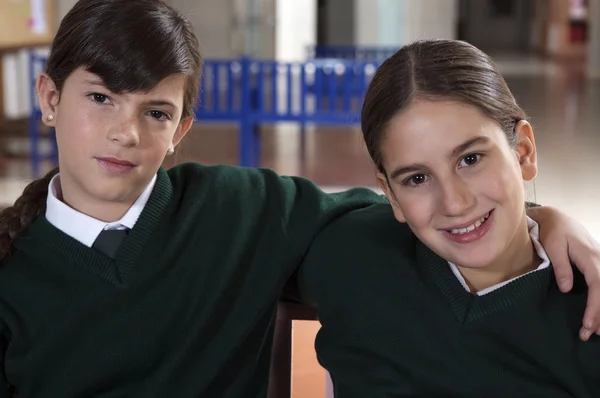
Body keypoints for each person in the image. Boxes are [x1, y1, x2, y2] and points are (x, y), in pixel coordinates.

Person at [0, 1, 597, 395]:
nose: (125, 133)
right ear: (49, 98)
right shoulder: (14, 270)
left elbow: (436, 216)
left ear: (181, 128)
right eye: (100, 98)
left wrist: (543, 217)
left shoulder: (239, 211)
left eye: (154, 111)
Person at [298, 39, 600, 397]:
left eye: (470, 159)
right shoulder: (351, 251)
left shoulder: (588, 313)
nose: (454, 204)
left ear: (523, 152)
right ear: (391, 194)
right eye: (417, 178)